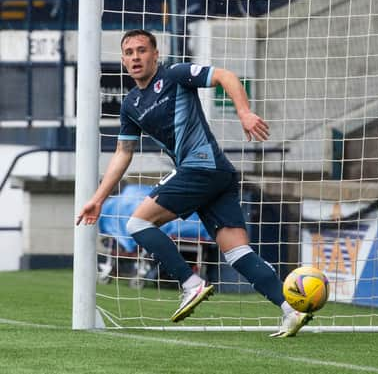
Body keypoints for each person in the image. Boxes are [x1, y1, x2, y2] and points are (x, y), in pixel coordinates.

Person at [77, 29, 309, 337]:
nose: (136, 57)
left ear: (155, 55)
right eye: (129, 52)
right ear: (122, 60)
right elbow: (123, 152)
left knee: (137, 224)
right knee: (238, 254)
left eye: (142, 50)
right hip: (215, 175)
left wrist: (244, 113)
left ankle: (191, 284)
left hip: (201, 167)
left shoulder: (175, 75)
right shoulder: (130, 104)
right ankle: (291, 310)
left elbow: (225, 75)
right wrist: (98, 198)